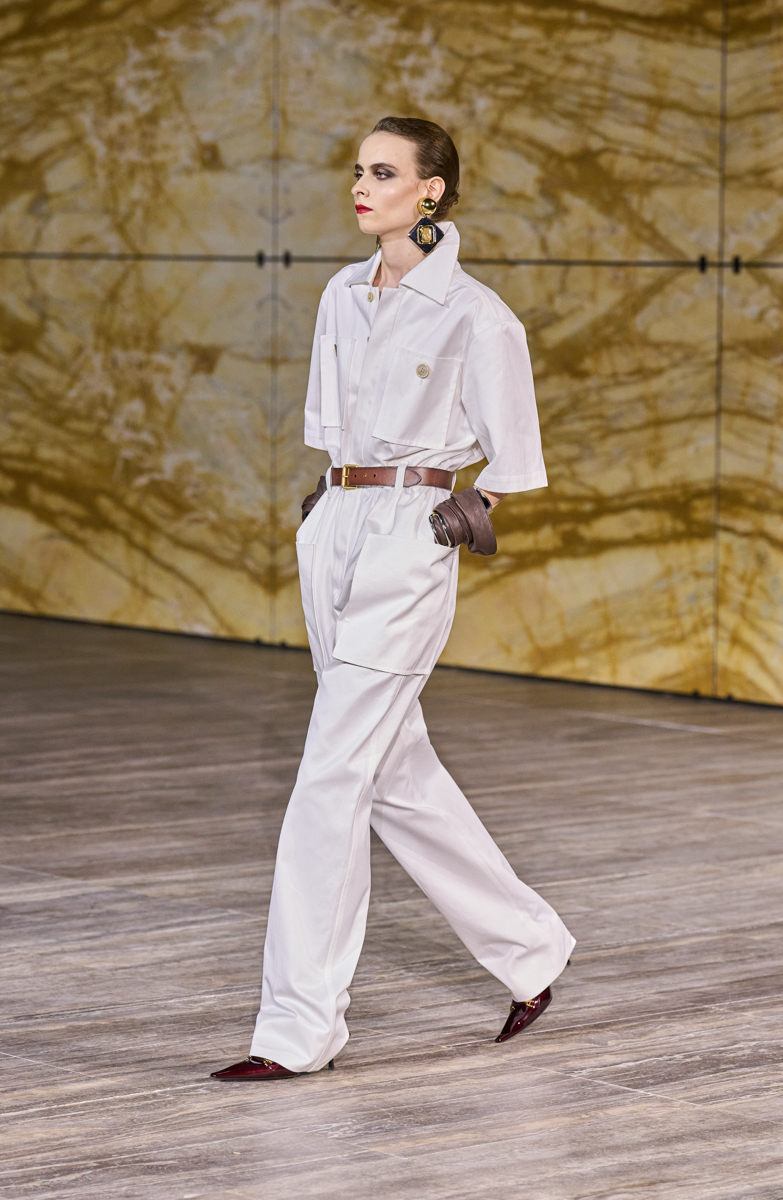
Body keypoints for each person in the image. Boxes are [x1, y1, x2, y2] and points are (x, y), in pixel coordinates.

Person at [212, 117, 575, 1082]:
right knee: (392, 773)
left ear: (431, 192)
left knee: (330, 776)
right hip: (334, 523)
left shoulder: (479, 317)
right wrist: (327, 512)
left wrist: (457, 516)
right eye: (358, 171)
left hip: (411, 541)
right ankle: (531, 950)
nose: (361, 187)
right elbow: (332, 428)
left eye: (383, 172)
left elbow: (516, 460)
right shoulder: (341, 292)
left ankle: (299, 1029)